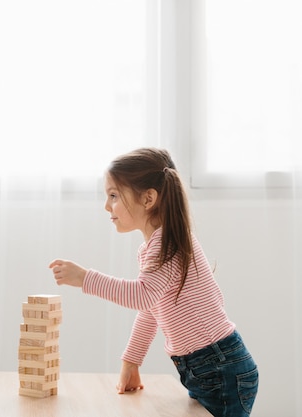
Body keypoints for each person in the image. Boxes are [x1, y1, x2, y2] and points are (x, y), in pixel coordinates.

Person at [49, 147, 258, 417]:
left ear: (148, 199)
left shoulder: (169, 244)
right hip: (209, 367)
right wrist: (131, 361)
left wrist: (85, 278)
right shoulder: (155, 247)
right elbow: (150, 311)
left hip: (220, 367)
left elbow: (141, 296)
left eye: (113, 195)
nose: (106, 206)